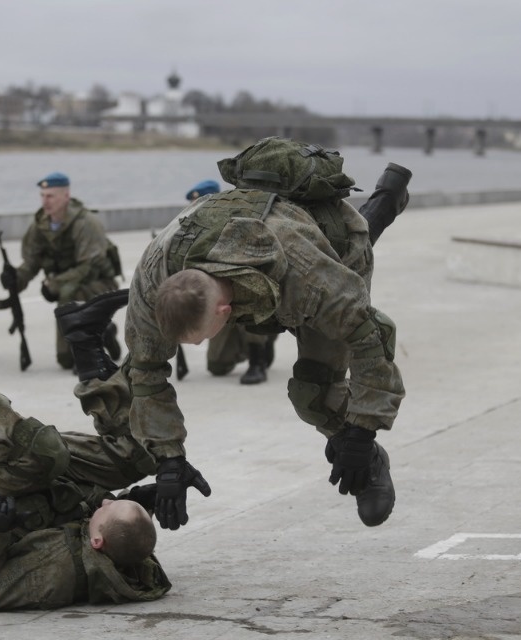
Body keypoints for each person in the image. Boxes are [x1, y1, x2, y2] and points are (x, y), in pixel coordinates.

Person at [56, 137, 411, 532]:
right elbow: (145, 373)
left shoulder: (307, 274)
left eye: (202, 336)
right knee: (141, 367)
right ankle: (387, 200)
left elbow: (372, 336)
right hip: (252, 266)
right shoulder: (154, 275)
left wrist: (361, 435)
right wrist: (169, 459)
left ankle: (383, 202)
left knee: (314, 394)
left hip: (330, 247)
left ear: (225, 312)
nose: (200, 345)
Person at [0, 318, 180, 610]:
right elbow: (116, 530)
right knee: (144, 455)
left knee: (46, 454)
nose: (107, 503)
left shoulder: (56, 572)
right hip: (44, 488)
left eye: (109, 508)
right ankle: (86, 342)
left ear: (96, 542)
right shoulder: (118, 551)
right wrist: (140, 498)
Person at [3, 172, 122, 370]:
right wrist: (16, 278)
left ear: (66, 196)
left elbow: (89, 267)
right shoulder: (40, 226)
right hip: (67, 286)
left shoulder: (86, 223)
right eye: (42, 196)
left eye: (50, 196)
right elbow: (31, 263)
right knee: (65, 361)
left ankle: (88, 348)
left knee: (70, 292)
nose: (45, 201)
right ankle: (103, 333)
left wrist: (54, 284)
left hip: (99, 284)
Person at [185, 179, 277, 385]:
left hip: (242, 287)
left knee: (250, 314)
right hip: (216, 294)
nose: (193, 205)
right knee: (217, 367)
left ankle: (258, 358)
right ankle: (251, 339)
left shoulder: (232, 218)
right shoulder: (189, 226)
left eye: (198, 200)